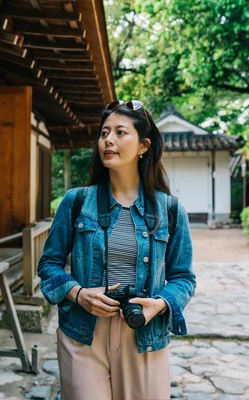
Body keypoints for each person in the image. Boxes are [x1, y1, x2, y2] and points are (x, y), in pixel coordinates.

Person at [37, 101, 196, 400]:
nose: (108, 140)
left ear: (143, 146)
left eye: (120, 132)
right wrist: (78, 293)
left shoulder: (171, 210)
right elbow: (48, 265)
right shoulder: (76, 202)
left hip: (143, 334)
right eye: (104, 133)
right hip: (83, 333)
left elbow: (184, 278)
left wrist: (159, 304)